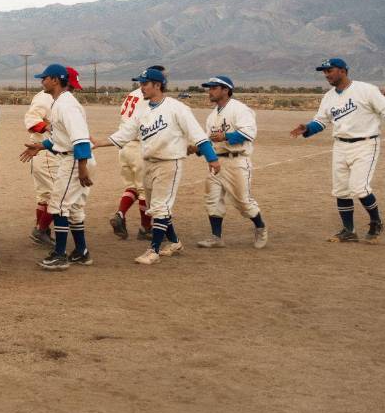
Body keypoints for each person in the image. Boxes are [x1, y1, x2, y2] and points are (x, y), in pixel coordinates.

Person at [94, 68, 220, 265]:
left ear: (157, 85)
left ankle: (153, 250)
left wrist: (212, 158)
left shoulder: (177, 108)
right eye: (140, 83)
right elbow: (125, 134)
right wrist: (100, 142)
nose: (141, 87)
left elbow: (198, 135)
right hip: (148, 163)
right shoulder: (142, 109)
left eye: (145, 84)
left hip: (170, 163)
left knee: (160, 207)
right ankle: (175, 242)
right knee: (155, 208)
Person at [290, 57, 385, 244]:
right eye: (324, 72)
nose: (326, 75)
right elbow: (321, 121)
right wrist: (307, 128)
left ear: (342, 70)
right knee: (341, 190)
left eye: (329, 70)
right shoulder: (329, 96)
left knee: (360, 188)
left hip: (366, 144)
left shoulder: (366, 90)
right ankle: (349, 231)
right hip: (340, 145)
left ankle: (376, 221)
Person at [18, 65, 94, 271]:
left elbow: (80, 139)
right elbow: (62, 137)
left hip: (74, 159)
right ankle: (82, 252)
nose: (42, 81)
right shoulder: (60, 102)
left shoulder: (66, 105)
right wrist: (41, 145)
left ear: (55, 80)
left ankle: (60, 255)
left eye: (44, 78)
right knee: (75, 208)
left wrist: (82, 167)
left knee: (58, 205)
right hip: (70, 156)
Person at [196, 75, 268, 249]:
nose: (210, 91)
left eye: (214, 88)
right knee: (212, 199)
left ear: (225, 90)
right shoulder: (212, 115)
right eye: (209, 88)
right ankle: (216, 237)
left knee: (243, 202)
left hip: (237, 161)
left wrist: (226, 136)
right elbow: (210, 140)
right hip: (218, 161)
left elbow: (249, 133)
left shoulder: (239, 109)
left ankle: (260, 227)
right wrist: (200, 151)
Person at [109, 65, 165, 241]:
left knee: (132, 187)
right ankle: (146, 227)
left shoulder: (132, 94)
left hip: (124, 146)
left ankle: (120, 213)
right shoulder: (148, 97)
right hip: (138, 146)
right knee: (144, 191)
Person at [24, 82, 55, 246]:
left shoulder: (52, 97)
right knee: (56, 194)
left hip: (43, 151)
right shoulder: (45, 97)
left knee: (44, 196)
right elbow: (31, 120)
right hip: (45, 152)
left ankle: (41, 230)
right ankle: (41, 229)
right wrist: (48, 126)